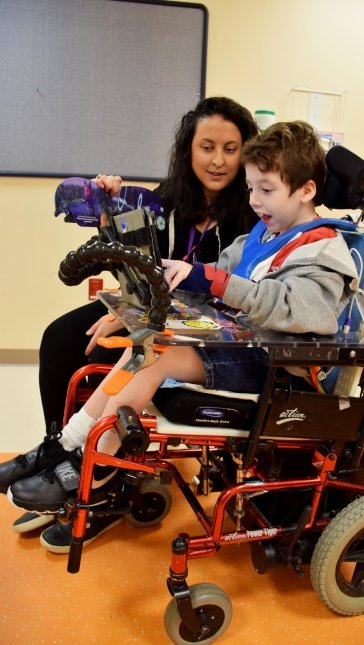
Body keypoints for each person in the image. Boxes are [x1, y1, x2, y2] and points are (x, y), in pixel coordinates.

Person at [1, 120, 359, 553]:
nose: (254, 200)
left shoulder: (324, 250)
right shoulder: (256, 238)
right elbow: (211, 288)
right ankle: (67, 444)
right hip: (235, 347)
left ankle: (91, 470)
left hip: (274, 366)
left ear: (305, 190)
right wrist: (168, 284)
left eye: (265, 190)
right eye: (250, 189)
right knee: (144, 342)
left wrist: (215, 281)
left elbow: (297, 307)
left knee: (158, 356)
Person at [2, 96, 258, 539]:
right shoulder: (167, 198)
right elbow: (129, 262)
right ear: (189, 150)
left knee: (106, 345)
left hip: (193, 327)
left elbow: (226, 302)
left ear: (246, 153)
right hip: (148, 309)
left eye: (231, 149)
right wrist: (110, 215)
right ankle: (59, 451)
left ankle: (105, 483)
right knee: (61, 339)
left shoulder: (254, 215)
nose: (218, 160)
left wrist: (138, 320)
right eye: (207, 146)